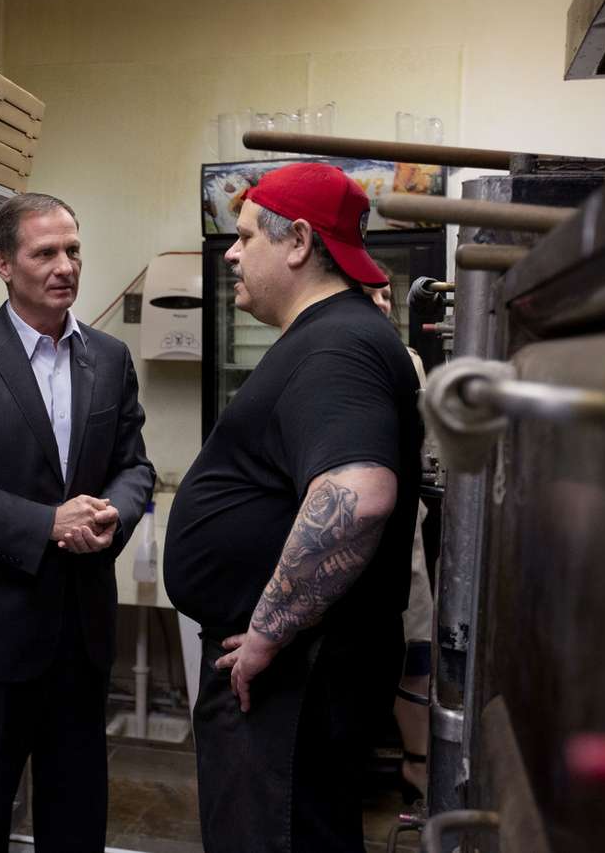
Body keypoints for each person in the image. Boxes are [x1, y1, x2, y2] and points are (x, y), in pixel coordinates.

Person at [164, 163, 422, 852]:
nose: (232, 252)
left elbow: (359, 496)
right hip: (297, 673)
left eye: (246, 235)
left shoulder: (337, 342)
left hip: (290, 677)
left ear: (299, 242)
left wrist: (266, 637)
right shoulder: (339, 335)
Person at [0, 193, 154, 853]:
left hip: (82, 629)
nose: (64, 265)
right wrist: (48, 523)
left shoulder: (109, 359)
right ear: (3, 264)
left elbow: (135, 467)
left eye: (73, 250)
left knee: (76, 816)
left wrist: (113, 513)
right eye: (44, 252)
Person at [365, 281, 432, 802]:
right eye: (373, 293)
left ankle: (417, 760)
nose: (384, 304)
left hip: (399, 528)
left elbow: (426, 444)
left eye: (388, 294)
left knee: (414, 649)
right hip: (355, 531)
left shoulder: (406, 360)